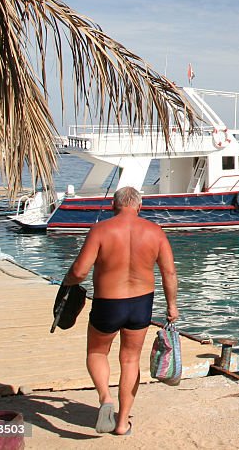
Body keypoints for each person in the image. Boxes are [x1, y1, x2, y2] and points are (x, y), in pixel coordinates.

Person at [62, 186, 178, 436]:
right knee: (130, 359)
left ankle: (105, 398)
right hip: (141, 304)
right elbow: (169, 273)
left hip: (108, 303)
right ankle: (122, 422)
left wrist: (67, 283)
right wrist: (171, 306)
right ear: (139, 206)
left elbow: (80, 271)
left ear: (114, 206)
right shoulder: (155, 232)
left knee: (96, 352)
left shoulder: (100, 230)